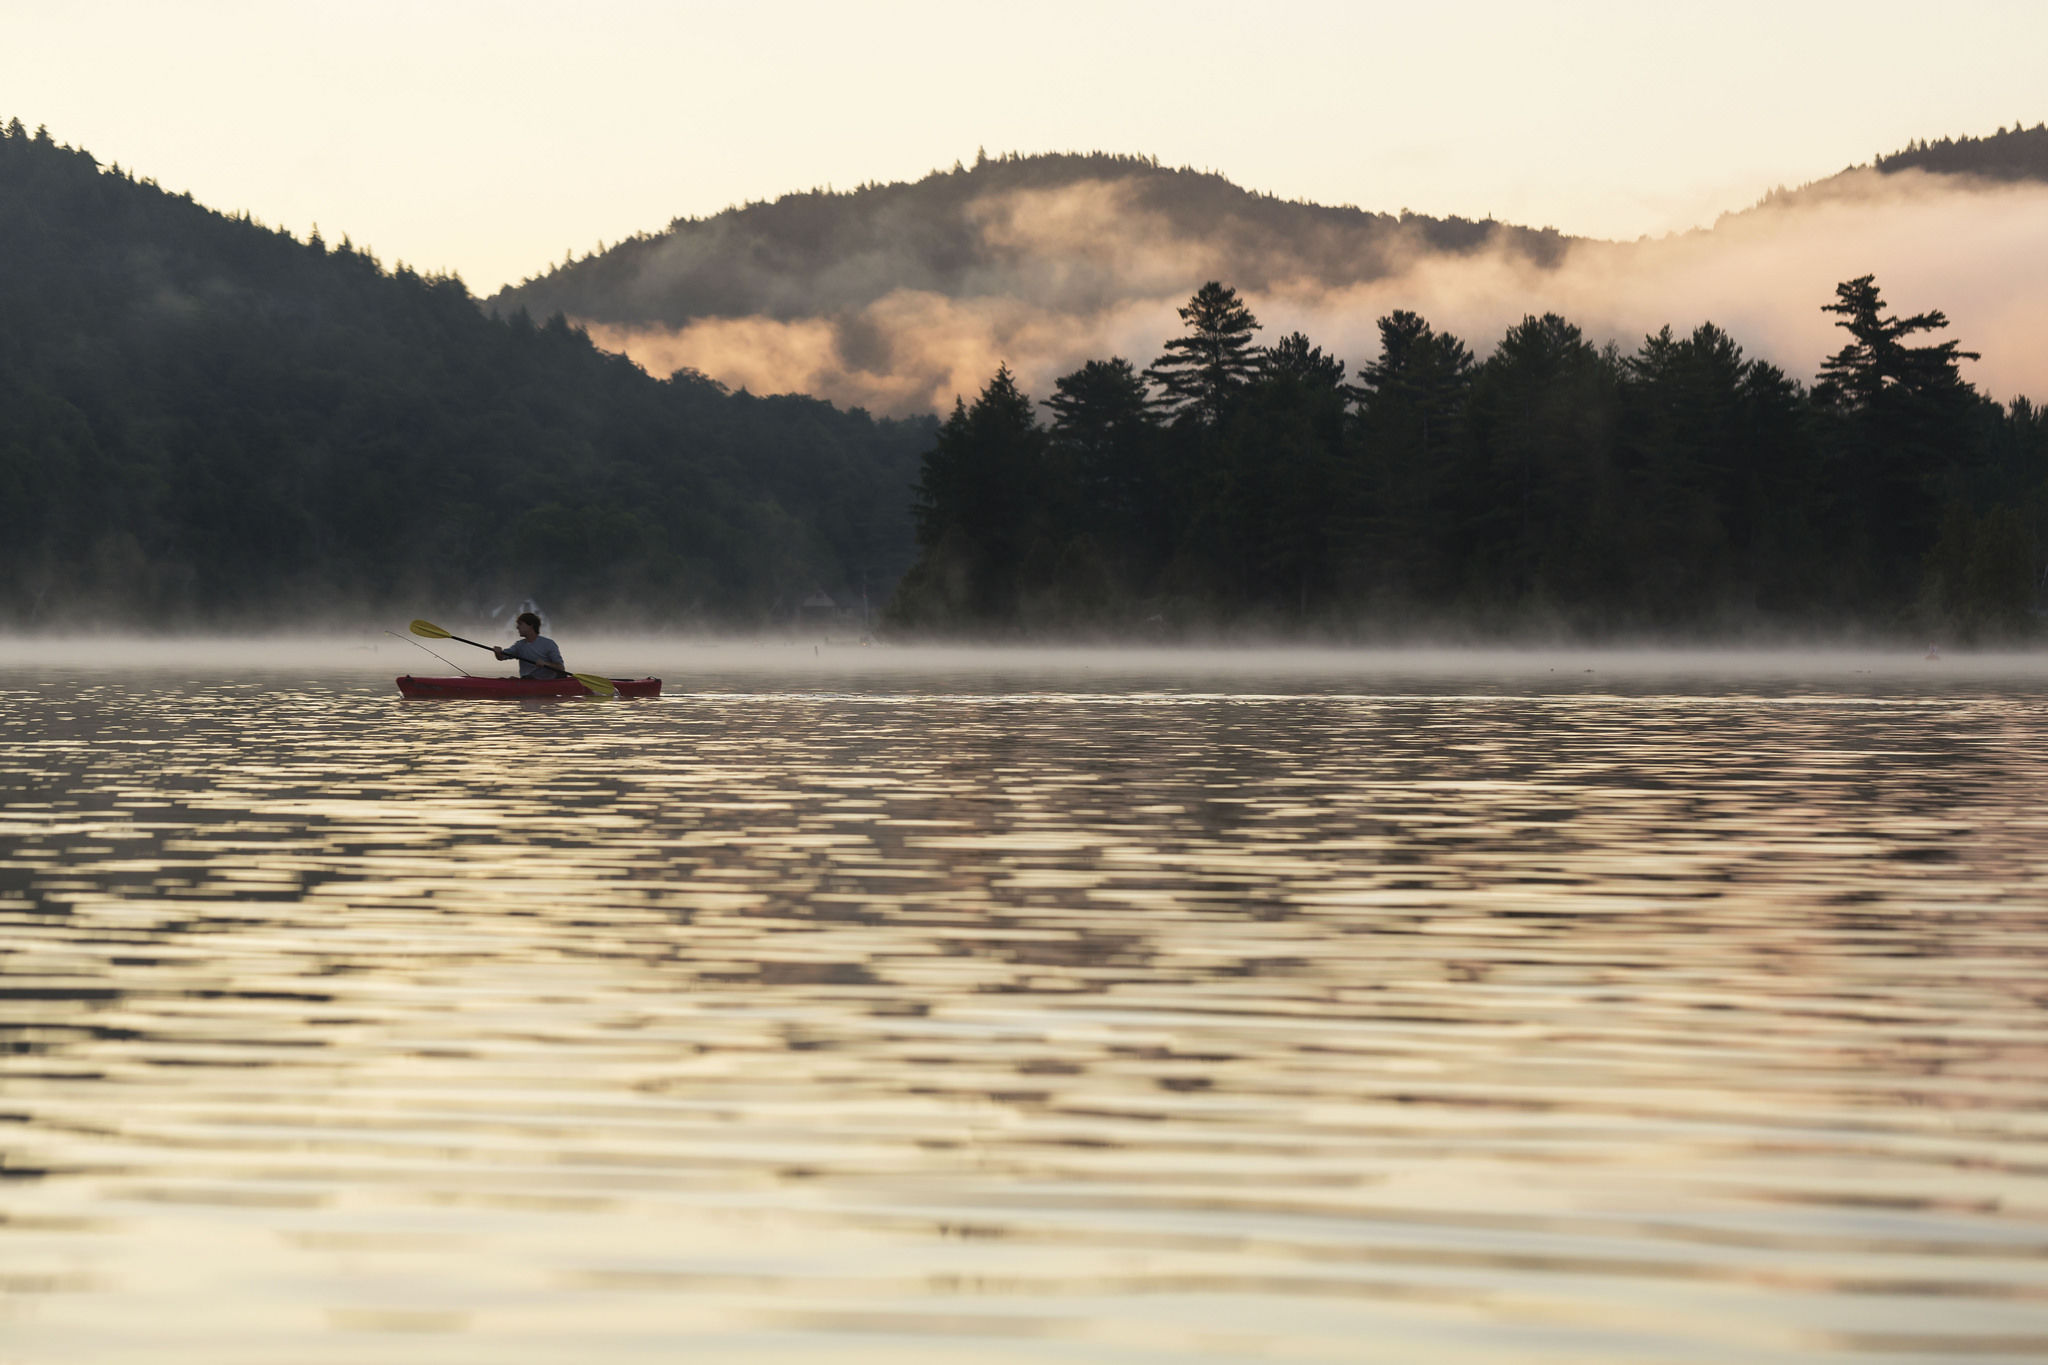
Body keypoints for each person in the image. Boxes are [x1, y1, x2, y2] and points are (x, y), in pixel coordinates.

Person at [494, 611, 568, 679]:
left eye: (520, 624)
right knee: (505, 679)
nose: (517, 627)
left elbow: (561, 667)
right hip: (527, 680)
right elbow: (501, 657)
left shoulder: (549, 644)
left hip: (546, 682)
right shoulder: (519, 645)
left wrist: (545, 664)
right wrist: (498, 652)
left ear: (531, 625)